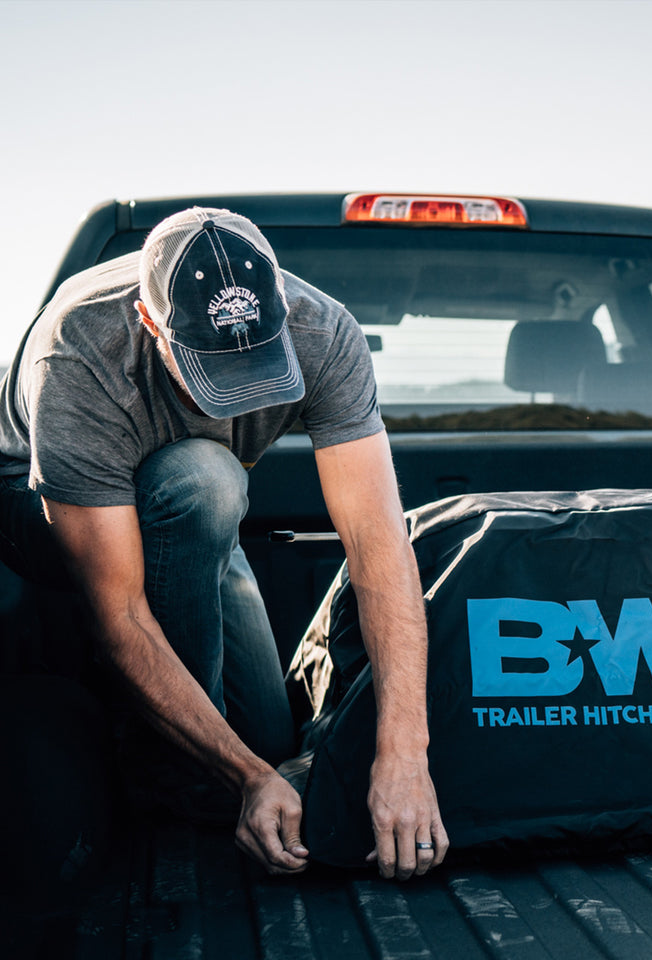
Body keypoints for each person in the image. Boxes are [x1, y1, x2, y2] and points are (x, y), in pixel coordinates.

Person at [0, 206, 448, 880]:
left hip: (197, 510)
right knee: (202, 474)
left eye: (258, 363)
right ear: (151, 325)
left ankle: (218, 761)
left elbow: (378, 546)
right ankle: (164, 770)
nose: (239, 400)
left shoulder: (321, 329)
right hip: (43, 507)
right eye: (214, 369)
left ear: (280, 302)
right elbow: (117, 615)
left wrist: (404, 754)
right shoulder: (83, 354)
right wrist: (239, 776)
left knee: (271, 747)